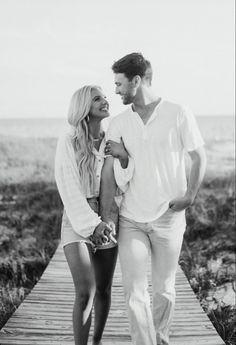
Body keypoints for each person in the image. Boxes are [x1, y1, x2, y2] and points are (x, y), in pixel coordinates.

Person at [100, 53, 207, 345]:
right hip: (132, 218)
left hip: (168, 217)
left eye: (120, 84)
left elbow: (199, 157)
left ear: (137, 80)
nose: (116, 90)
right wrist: (107, 215)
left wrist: (189, 197)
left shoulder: (178, 112)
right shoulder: (119, 123)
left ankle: (160, 339)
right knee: (135, 292)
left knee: (164, 289)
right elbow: (110, 173)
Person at [54, 85, 133, 345]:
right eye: (97, 98)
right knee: (85, 291)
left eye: (105, 96)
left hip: (109, 213)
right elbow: (67, 185)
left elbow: (123, 181)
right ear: (84, 107)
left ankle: (96, 342)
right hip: (78, 217)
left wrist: (123, 159)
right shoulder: (69, 140)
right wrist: (92, 224)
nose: (105, 100)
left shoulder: (113, 140)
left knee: (104, 289)